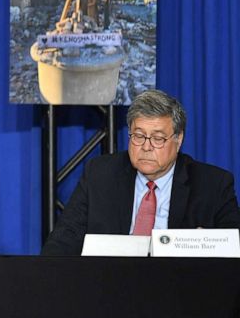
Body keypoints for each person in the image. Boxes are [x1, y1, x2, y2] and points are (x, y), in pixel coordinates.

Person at [42, 89, 240, 256]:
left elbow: (233, 250)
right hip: (108, 288)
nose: (146, 147)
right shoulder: (100, 174)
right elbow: (62, 242)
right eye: (138, 136)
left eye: (158, 138)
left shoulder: (213, 185)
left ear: (178, 140)